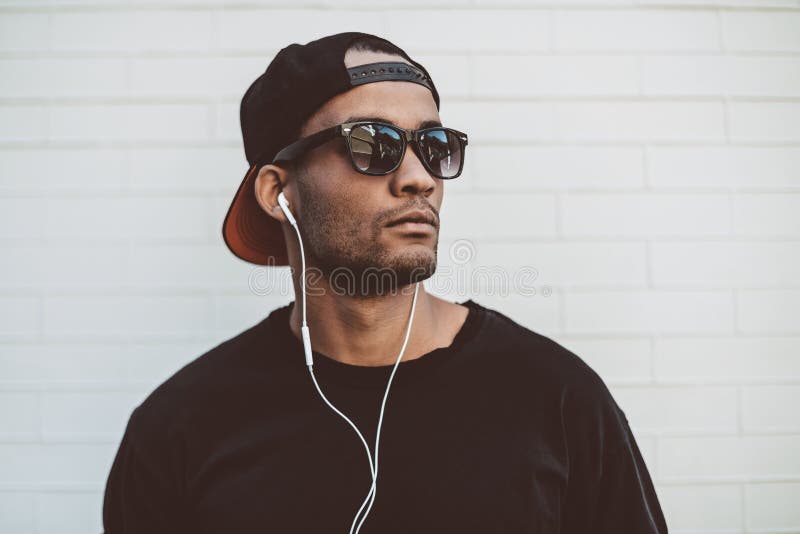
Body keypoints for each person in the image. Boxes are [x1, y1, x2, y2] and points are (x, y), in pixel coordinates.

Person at [102, 31, 668, 533]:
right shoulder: (180, 428)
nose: (419, 178)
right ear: (279, 192)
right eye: (373, 145)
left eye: (434, 146)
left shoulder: (561, 401)